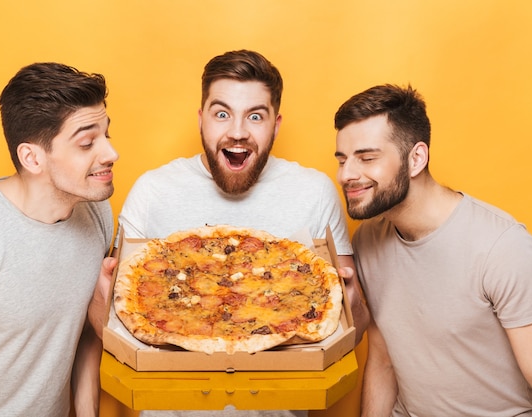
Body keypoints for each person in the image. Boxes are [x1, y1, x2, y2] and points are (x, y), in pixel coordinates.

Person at [111, 49, 369, 417]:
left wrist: (351, 299)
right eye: (221, 114)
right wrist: (101, 300)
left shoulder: (314, 191)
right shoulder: (153, 191)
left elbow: (351, 329)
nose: (237, 132)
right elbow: (112, 320)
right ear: (201, 120)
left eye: (255, 116)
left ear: (276, 124)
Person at [333, 84, 532, 416]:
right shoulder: (367, 241)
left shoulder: (505, 249)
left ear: (416, 158)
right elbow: (383, 360)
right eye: (342, 159)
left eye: (366, 157)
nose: (346, 174)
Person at [0, 62, 119, 416]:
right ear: (32, 157)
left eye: (107, 135)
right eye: (88, 142)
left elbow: (82, 335)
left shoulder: (96, 214)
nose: (111, 153)